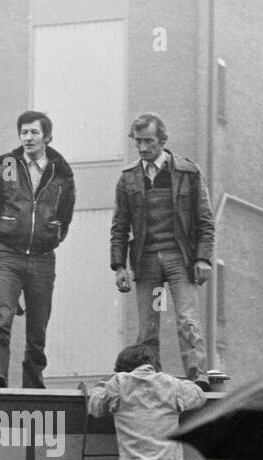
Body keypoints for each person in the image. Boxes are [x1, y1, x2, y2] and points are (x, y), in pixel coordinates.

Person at [109, 112, 215, 391]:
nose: (143, 148)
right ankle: (149, 380)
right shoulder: (128, 178)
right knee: (148, 327)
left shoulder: (188, 173)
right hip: (147, 263)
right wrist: (119, 266)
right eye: (138, 142)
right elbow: (119, 226)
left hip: (180, 259)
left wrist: (203, 258)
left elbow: (205, 220)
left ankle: (197, 378)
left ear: (162, 140)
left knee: (187, 319)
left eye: (148, 141)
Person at [0, 109, 76, 388]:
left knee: (38, 328)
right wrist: (3, 245)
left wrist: (50, 236)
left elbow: (65, 215)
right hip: (9, 256)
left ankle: (33, 384)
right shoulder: (6, 168)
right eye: (24, 132)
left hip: (43, 259)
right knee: (2, 318)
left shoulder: (61, 173)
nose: (28, 137)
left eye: (34, 132)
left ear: (47, 136)